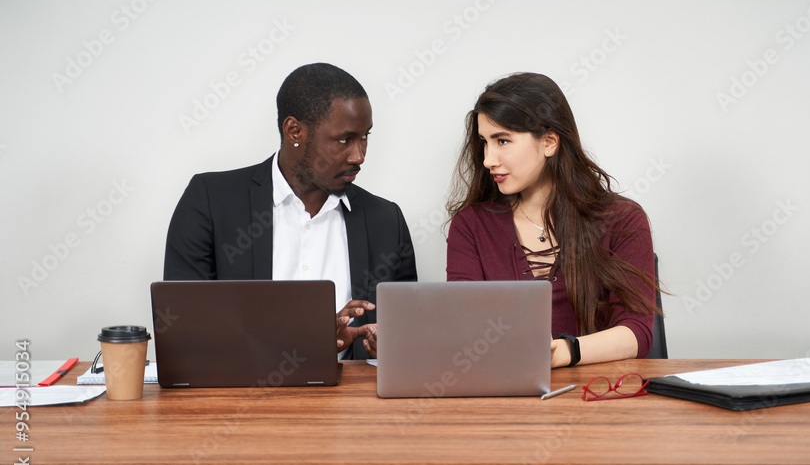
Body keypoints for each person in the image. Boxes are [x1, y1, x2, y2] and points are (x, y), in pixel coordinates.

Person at [164, 63, 416, 358]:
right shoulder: (210, 201)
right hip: (241, 400)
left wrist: (384, 345)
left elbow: (406, 338)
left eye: (365, 137)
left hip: (352, 401)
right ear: (294, 130)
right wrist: (308, 336)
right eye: (344, 139)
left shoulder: (386, 221)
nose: (359, 155)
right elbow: (184, 330)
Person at [446, 72, 658, 368]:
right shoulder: (470, 226)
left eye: (503, 140)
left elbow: (636, 333)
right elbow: (463, 329)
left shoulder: (622, 220)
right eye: (484, 142)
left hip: (598, 399)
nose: (488, 159)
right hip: (506, 399)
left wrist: (561, 353)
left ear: (549, 142)